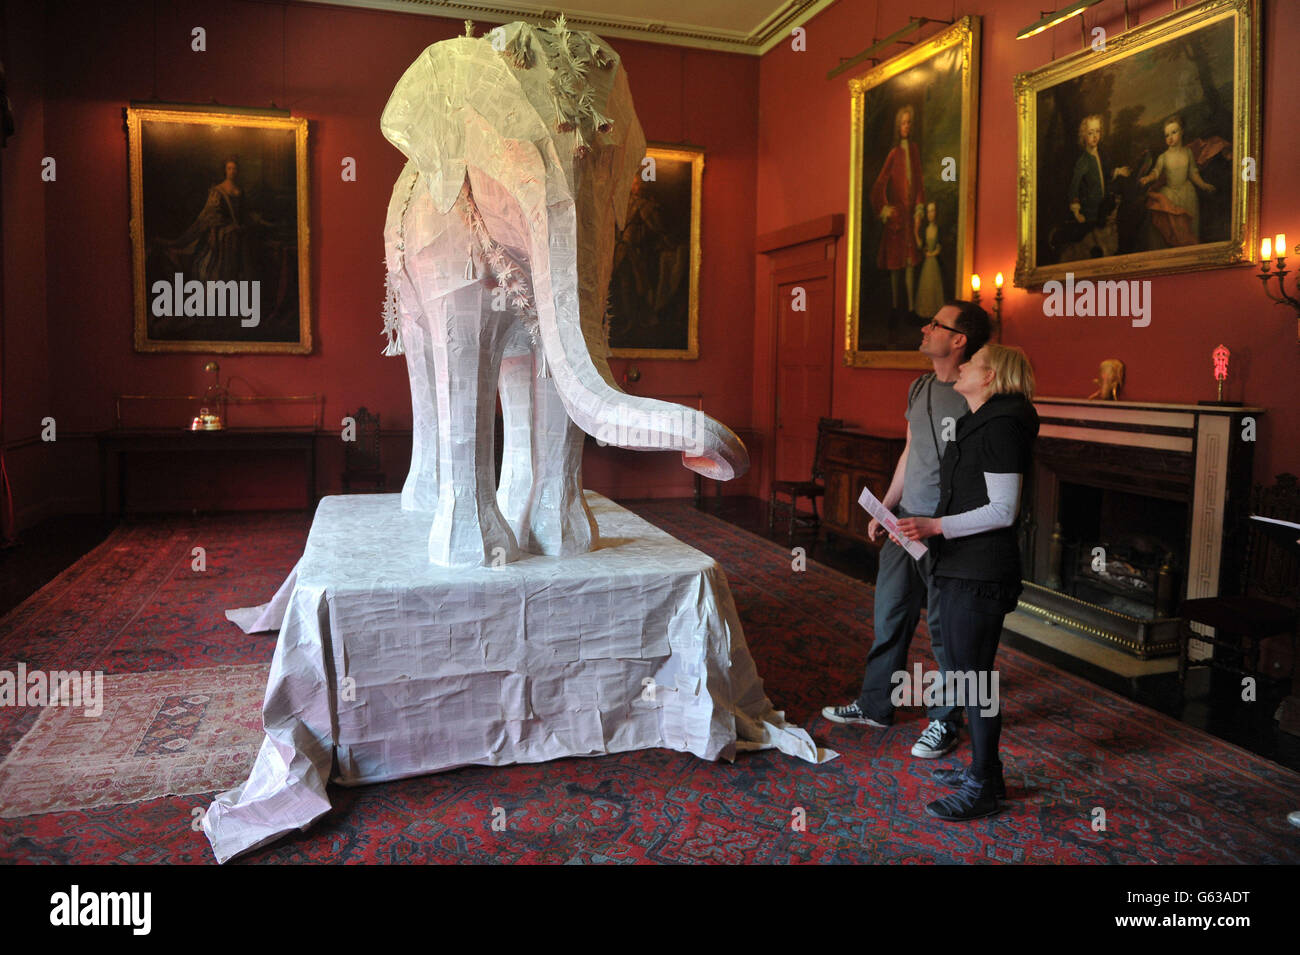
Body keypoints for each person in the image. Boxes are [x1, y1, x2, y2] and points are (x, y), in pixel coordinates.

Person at [823, 300, 991, 761]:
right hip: (903, 526)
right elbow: (909, 453)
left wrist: (942, 525)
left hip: (942, 531)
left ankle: (945, 722)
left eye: (936, 324)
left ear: (959, 340)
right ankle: (877, 705)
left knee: (945, 633)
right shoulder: (919, 387)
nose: (925, 328)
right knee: (890, 616)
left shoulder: (977, 393)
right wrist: (887, 506)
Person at [896, 344, 1039, 820]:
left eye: (970, 365)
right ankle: (988, 773)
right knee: (966, 674)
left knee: (973, 678)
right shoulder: (986, 418)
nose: (959, 369)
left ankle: (981, 785)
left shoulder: (1002, 424)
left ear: (991, 376)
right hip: (961, 563)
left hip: (979, 570)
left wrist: (935, 527)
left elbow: (1003, 510)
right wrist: (927, 528)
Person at [870, 105, 925, 312]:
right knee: (895, 266)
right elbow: (879, 185)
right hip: (897, 218)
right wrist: (885, 208)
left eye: (909, 122)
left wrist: (919, 206)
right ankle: (895, 306)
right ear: (897, 126)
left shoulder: (914, 150)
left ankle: (910, 307)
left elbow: (918, 181)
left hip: (910, 217)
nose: (906, 126)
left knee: (910, 264)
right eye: (903, 122)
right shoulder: (894, 153)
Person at [1138, 115, 1216, 248]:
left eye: (1174, 132)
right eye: (1167, 135)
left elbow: (1193, 172)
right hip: (1170, 196)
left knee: (1189, 230)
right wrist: (1147, 178)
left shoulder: (1188, 153)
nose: (1170, 137)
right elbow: (1156, 172)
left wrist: (1203, 185)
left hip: (1188, 195)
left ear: (1182, 131)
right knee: (1174, 231)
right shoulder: (1163, 157)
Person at [1063, 114, 1130, 254]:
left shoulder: (1100, 154)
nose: (1095, 136)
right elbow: (1074, 187)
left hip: (1103, 207)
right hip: (1091, 210)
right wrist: (1076, 211)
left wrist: (1118, 171)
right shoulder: (1083, 161)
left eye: (1097, 131)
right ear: (1083, 136)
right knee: (1094, 241)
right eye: (1090, 133)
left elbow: (1104, 175)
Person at [914, 202, 945, 318]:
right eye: (928, 211)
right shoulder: (925, 229)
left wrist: (932, 253)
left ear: (936, 213)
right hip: (927, 262)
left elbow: (940, 246)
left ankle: (935, 313)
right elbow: (920, 245)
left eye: (932, 211)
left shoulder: (938, 229)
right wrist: (915, 231)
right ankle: (924, 313)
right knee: (925, 286)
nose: (930, 214)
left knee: (934, 286)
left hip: (934, 262)